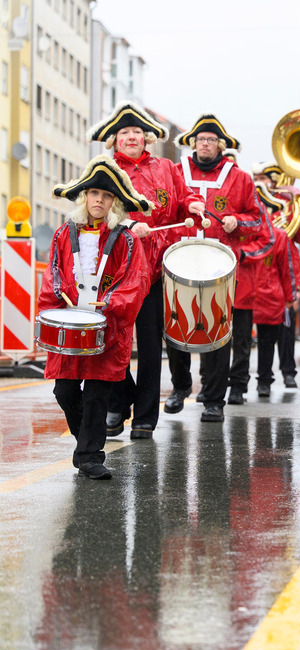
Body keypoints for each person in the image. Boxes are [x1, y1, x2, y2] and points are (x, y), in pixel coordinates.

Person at [90, 102, 206, 440]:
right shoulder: (105, 169)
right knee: (112, 340)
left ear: (147, 138)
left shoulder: (168, 168)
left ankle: (145, 416)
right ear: (114, 140)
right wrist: (126, 223)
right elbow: (93, 211)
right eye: (124, 132)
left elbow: (182, 199)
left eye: (137, 132)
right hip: (116, 269)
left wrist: (192, 204)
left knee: (152, 347)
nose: (131, 137)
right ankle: (118, 401)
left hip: (157, 269)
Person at [41, 157, 151, 479]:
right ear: (84, 198)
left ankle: (90, 456)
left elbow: (136, 281)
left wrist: (111, 305)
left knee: (97, 394)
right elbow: (53, 275)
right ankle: (85, 445)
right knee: (64, 392)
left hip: (107, 328)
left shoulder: (126, 239)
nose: (99, 200)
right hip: (71, 325)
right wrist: (53, 310)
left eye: (105, 196)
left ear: (114, 201)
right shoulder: (64, 234)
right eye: (93, 194)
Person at [170, 113, 266, 422]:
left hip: (220, 266)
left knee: (217, 331)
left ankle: (214, 399)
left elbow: (257, 220)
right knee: (174, 323)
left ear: (220, 145)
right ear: (192, 144)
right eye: (200, 139)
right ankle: (180, 386)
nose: (205, 144)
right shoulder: (176, 172)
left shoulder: (240, 178)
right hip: (180, 261)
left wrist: (238, 221)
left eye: (211, 139)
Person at [253, 161, 300, 388]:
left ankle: (289, 372)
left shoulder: (287, 204)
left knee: (287, 329)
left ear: (274, 180)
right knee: (265, 332)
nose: (259, 182)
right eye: (256, 178)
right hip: (260, 272)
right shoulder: (251, 201)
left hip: (285, 271)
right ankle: (264, 378)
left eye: (263, 178)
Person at [248, 186, 298, 397]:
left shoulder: (279, 236)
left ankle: (265, 380)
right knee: (242, 343)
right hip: (247, 294)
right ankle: (239, 384)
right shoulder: (245, 234)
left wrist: (290, 297)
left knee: (268, 341)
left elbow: (287, 269)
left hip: (269, 295)